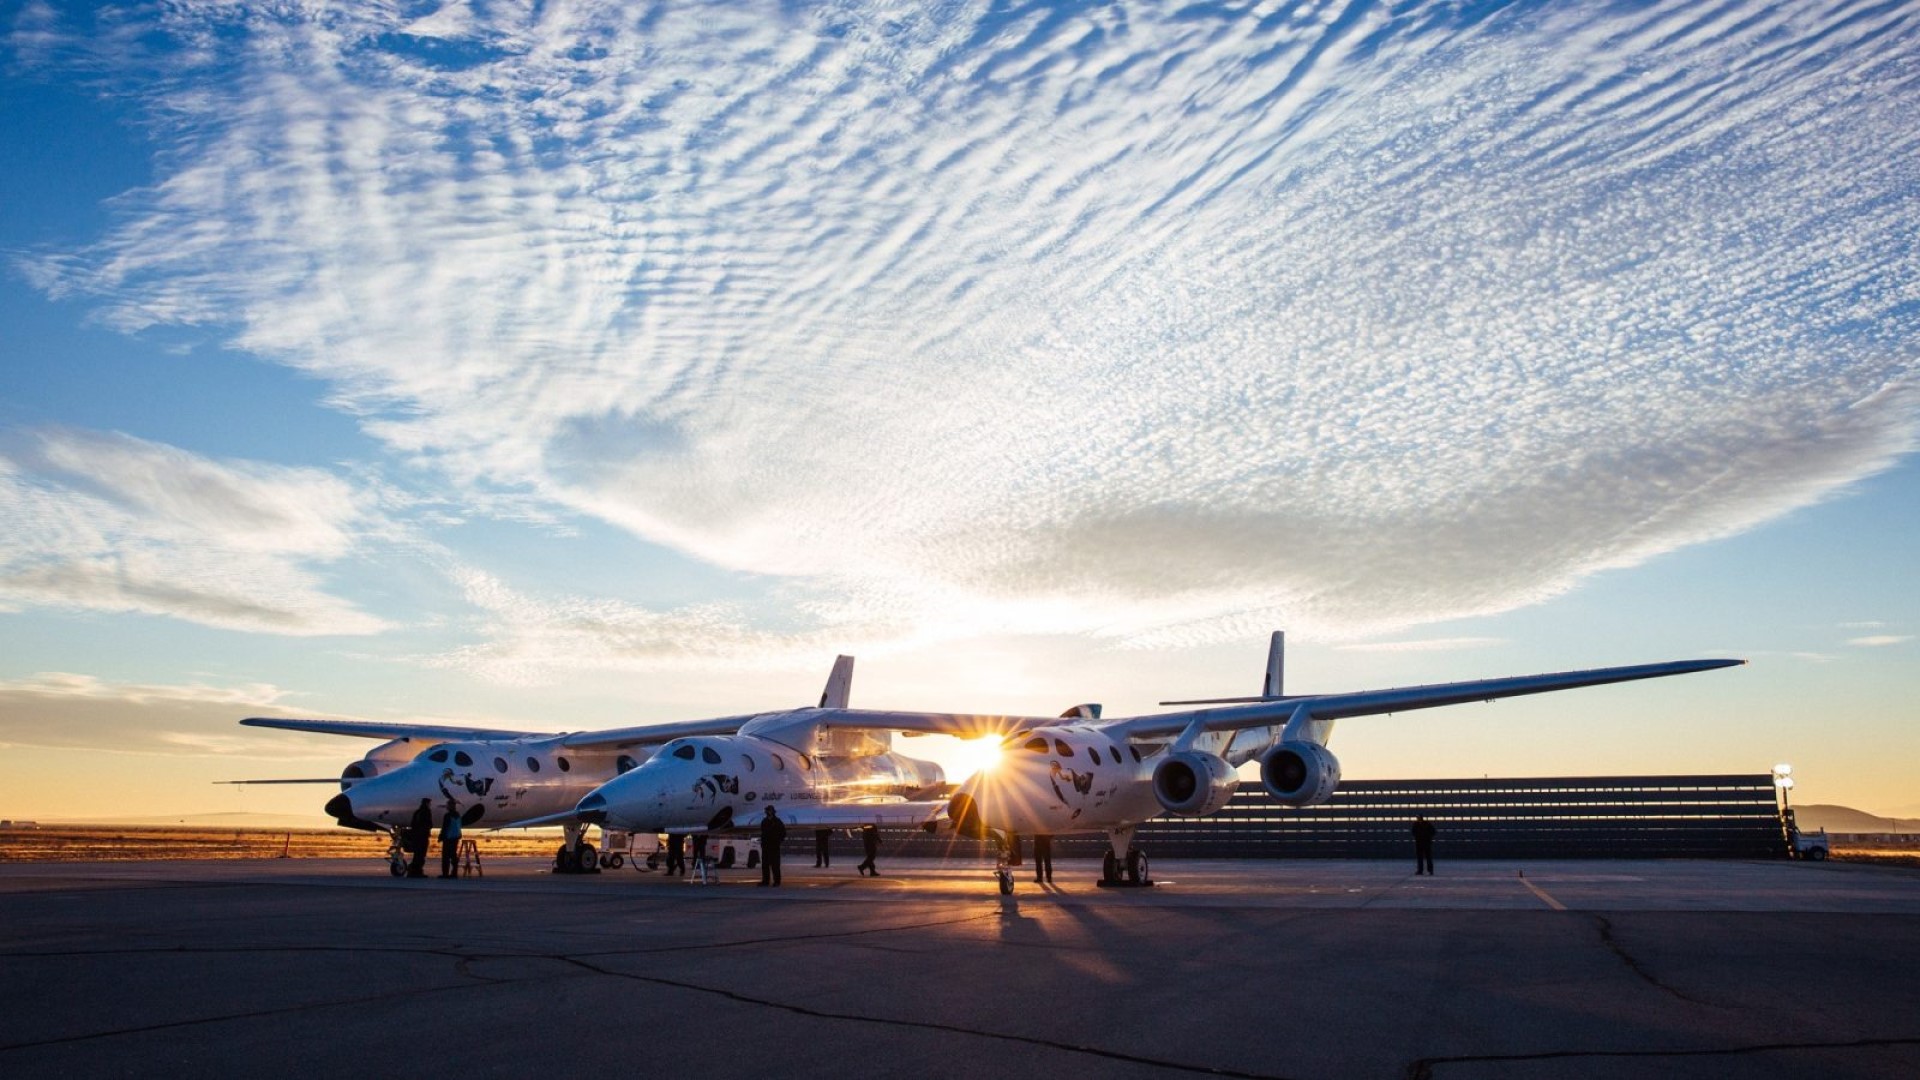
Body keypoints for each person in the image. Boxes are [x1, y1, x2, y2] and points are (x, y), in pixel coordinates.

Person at [759, 806, 787, 887]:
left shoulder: (777, 822)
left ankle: (777, 881)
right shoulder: (764, 821)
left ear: (773, 811)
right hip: (766, 846)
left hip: (774, 847)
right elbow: (763, 833)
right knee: (765, 865)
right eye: (767, 811)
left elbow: (783, 833)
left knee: (775, 865)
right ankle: (765, 881)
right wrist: (763, 843)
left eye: (769, 811)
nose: (768, 812)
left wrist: (778, 841)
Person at [405, 798, 433, 878]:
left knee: (417, 854)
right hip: (423, 837)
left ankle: (413, 871)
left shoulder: (417, 812)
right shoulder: (426, 812)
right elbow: (429, 824)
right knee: (421, 855)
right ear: (427, 804)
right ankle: (417, 872)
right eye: (429, 803)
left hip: (416, 836)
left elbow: (413, 824)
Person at [437, 799, 463, 878]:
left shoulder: (448, 815)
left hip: (448, 838)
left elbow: (445, 827)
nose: (446, 807)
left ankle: (445, 873)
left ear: (450, 806)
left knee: (446, 857)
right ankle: (454, 872)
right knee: (453, 856)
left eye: (448, 805)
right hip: (455, 837)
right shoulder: (458, 815)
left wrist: (441, 836)